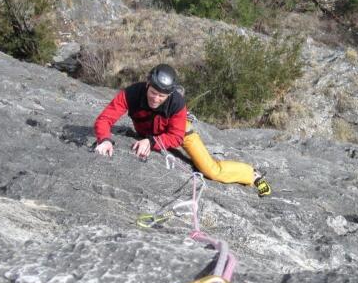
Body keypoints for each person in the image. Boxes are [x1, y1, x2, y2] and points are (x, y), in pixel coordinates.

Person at [94, 64, 271, 197]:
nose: (156, 99)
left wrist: (152, 141)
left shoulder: (177, 103)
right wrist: (105, 139)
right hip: (151, 130)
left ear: (169, 94)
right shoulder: (132, 93)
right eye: (153, 92)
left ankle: (251, 174)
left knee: (211, 171)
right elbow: (105, 118)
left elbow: (176, 137)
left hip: (181, 132)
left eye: (161, 96)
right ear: (147, 84)